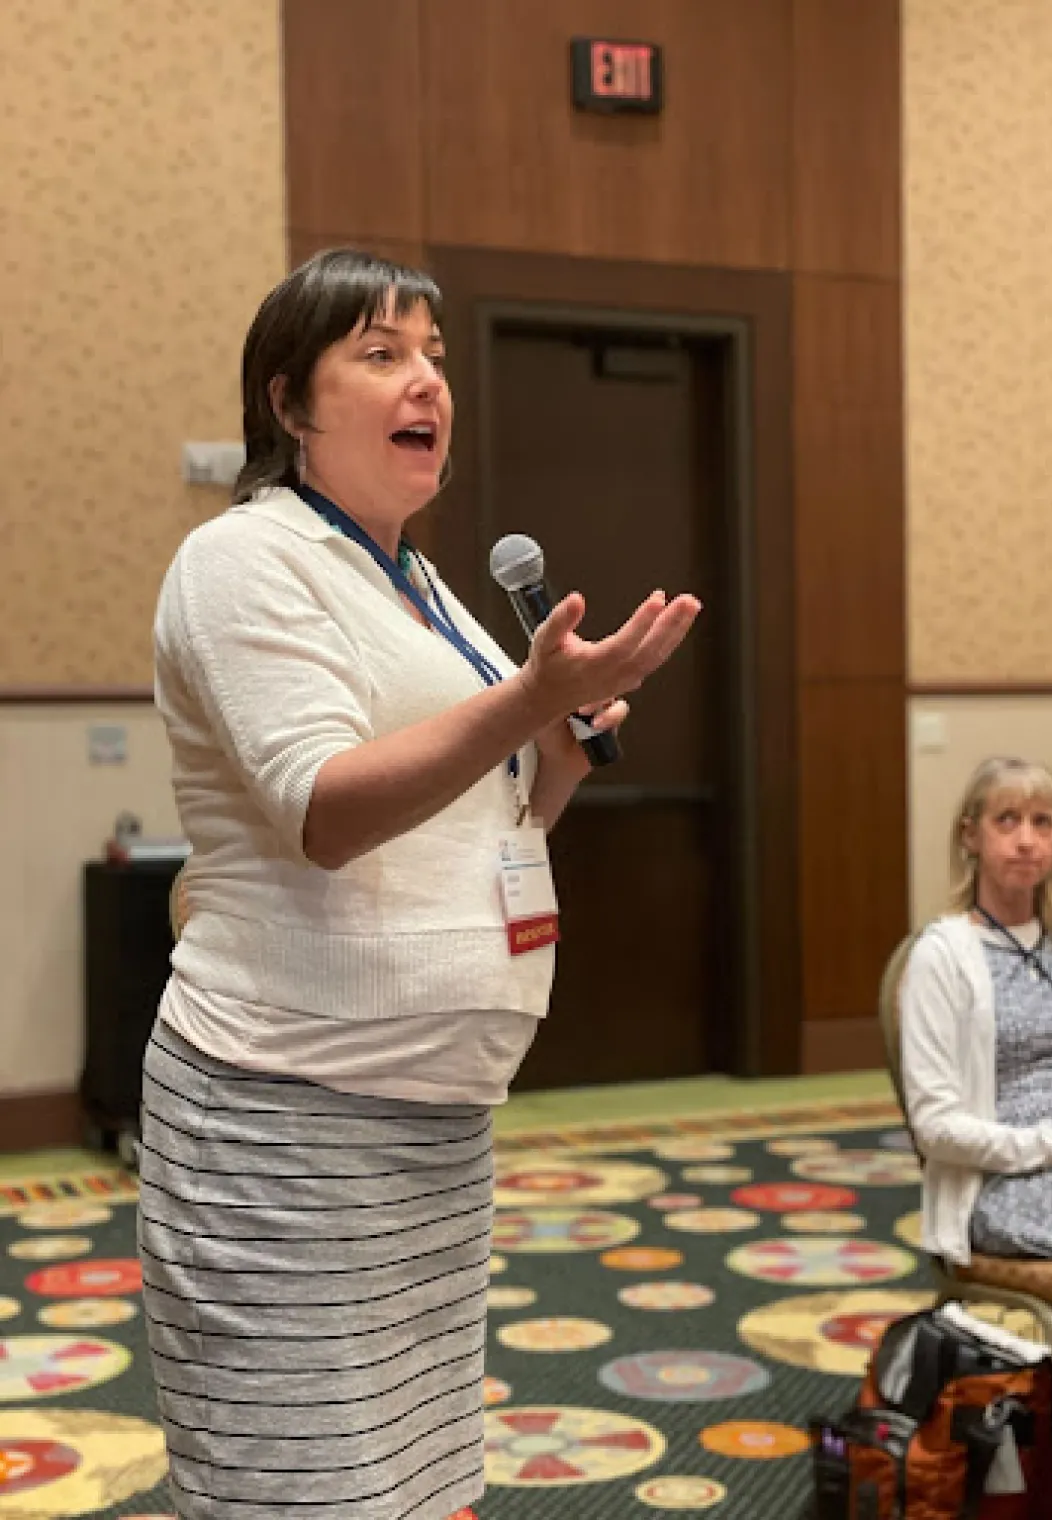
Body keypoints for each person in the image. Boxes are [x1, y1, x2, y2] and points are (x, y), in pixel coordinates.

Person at [137, 247, 701, 1520]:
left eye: (435, 353)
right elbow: (327, 810)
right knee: (297, 1485)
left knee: (411, 1478)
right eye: (382, 352)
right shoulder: (245, 560)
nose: (427, 381)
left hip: (432, 1116)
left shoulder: (419, 580)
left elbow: (495, 823)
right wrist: (528, 696)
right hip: (285, 1111)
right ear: (288, 403)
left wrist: (552, 755)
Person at [901, 756, 1052, 1269]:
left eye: (1042, 822)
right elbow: (935, 1127)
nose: (1026, 839)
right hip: (1005, 1181)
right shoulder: (941, 956)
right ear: (971, 836)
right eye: (1006, 820)